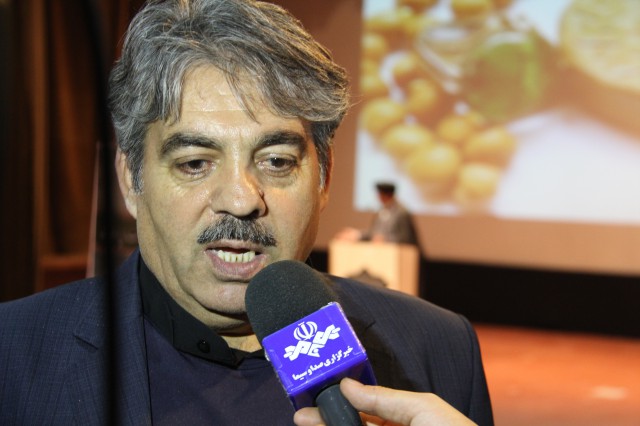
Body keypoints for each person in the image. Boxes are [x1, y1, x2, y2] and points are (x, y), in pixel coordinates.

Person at [0, 1, 493, 425]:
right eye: (195, 163)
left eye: (276, 161)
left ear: (324, 179)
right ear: (132, 180)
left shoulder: (438, 349)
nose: (241, 200)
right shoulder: (13, 355)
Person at [336, 182, 420, 247]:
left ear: (386, 195)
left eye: (379, 194)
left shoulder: (401, 212)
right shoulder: (381, 211)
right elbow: (374, 233)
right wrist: (358, 234)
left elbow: (405, 238)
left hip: (400, 254)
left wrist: (385, 239)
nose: (378, 197)